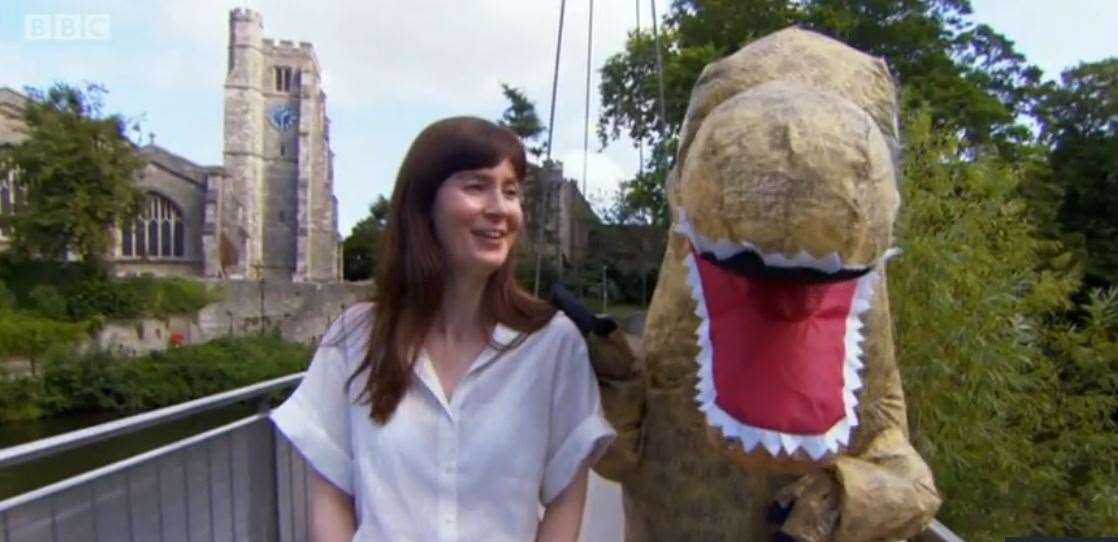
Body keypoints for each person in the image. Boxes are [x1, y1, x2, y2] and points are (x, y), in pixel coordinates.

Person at [271, 116, 615, 542]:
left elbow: (565, 495)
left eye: (510, 192)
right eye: (475, 186)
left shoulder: (551, 344)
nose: (500, 208)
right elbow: (331, 495)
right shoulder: (355, 339)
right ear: (424, 205)